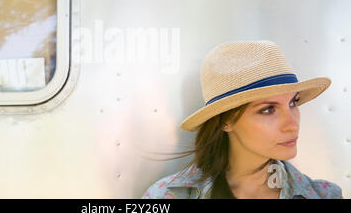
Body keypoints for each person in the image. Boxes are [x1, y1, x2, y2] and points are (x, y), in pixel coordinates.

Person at [142, 40, 343, 199]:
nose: (292, 125)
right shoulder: (166, 196)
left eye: (293, 103)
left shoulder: (325, 195)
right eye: (268, 110)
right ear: (225, 121)